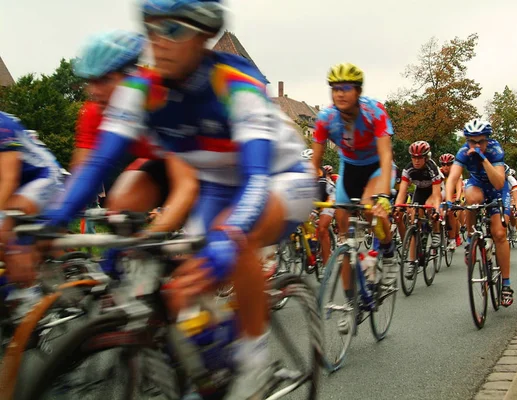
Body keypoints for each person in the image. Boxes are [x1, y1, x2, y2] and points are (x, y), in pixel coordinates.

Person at [8, 2, 316, 397]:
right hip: (217, 186)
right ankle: (205, 360)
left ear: (204, 35)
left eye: (173, 30)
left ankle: (255, 360)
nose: (159, 42)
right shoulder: (140, 89)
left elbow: (255, 179)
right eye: (152, 29)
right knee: (178, 289)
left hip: (277, 179)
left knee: (232, 238)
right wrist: (51, 221)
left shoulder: (235, 84)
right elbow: (99, 163)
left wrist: (227, 239)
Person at [70, 31, 199, 235]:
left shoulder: (161, 97)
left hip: (207, 164)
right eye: (90, 82)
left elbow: (186, 184)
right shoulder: (94, 110)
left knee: (207, 240)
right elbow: (81, 173)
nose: (93, 91)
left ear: (131, 78)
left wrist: (154, 233)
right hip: (162, 163)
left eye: (104, 80)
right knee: (120, 209)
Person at [311, 62, 397, 288]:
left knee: (371, 207)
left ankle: (388, 254)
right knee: (343, 234)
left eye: (346, 88)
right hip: (349, 168)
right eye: (335, 88)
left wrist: (385, 196)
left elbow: (386, 154)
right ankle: (350, 306)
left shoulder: (374, 111)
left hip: (376, 167)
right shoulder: (326, 119)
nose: (339, 93)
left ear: (358, 91)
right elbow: (315, 164)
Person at [445, 119, 514, 307]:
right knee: (472, 200)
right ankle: (470, 238)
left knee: (499, 233)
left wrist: (483, 158)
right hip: (477, 186)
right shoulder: (463, 152)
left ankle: (506, 284)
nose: (475, 145)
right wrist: (448, 201)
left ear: (487, 140)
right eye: (471, 141)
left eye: (480, 141)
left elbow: (499, 182)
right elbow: (453, 177)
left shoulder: (494, 150)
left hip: (498, 190)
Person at [0, 112, 65, 283]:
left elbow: (9, 179)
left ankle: (29, 290)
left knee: (6, 228)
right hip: (20, 183)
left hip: (43, 176)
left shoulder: (2, 124)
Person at [395, 141, 443, 278]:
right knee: (412, 214)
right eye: (413, 157)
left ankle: (436, 232)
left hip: (434, 191)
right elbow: (402, 192)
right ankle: (411, 261)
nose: (416, 161)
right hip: (420, 191)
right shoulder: (408, 169)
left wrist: (436, 210)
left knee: (429, 208)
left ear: (426, 157)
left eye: (419, 157)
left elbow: (436, 195)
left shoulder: (432, 168)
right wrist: (398, 207)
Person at [439, 153, 462, 249]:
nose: (445, 167)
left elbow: (459, 187)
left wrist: (457, 200)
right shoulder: (438, 172)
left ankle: (453, 238)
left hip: (455, 194)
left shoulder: (456, 172)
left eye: (448, 164)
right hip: (444, 194)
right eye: (443, 164)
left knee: (451, 212)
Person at [506, 166, 517, 242]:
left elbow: (516, 199)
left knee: (513, 212)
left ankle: (514, 229)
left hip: (512, 196)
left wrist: (516, 209)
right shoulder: (495, 179)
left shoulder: (512, 180)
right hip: (502, 196)